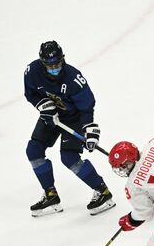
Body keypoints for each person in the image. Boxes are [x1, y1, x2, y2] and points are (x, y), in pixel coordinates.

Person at [24, 40, 114, 217]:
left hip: (74, 119)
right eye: (49, 65)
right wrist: (42, 104)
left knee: (69, 157)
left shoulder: (74, 79)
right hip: (51, 115)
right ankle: (50, 194)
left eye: (57, 64)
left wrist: (89, 129)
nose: (54, 68)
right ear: (42, 63)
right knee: (33, 150)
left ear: (63, 59)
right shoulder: (32, 71)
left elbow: (87, 107)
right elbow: (31, 93)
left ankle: (102, 191)